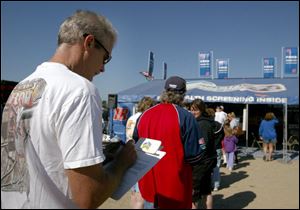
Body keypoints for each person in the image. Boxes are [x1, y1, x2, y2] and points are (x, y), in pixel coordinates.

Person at [1, 10, 137, 209]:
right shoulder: (80, 90)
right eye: (105, 57)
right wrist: (121, 163)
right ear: (89, 43)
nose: (102, 68)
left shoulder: (21, 86)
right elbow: (87, 198)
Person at [132, 76, 205, 209]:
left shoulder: (144, 115)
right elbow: (195, 156)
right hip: (175, 188)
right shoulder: (186, 117)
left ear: (164, 91)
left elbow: (136, 146)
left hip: (149, 186)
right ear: (183, 94)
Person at [126, 96, 156, 209]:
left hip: (130, 154)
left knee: (134, 193)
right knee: (142, 194)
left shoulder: (131, 118)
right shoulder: (146, 118)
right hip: (143, 156)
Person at [190, 100, 217, 209]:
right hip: (207, 160)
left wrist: (195, 155)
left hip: (202, 162)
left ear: (201, 109)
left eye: (195, 110)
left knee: (194, 193)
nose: (193, 112)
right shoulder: (205, 121)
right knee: (206, 190)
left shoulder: (202, 124)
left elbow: (203, 144)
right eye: (191, 110)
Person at [206, 108, 224, 192]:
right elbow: (222, 137)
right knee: (216, 168)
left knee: (207, 168)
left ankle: (208, 184)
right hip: (217, 148)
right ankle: (216, 185)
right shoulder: (219, 125)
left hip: (207, 149)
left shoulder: (204, 124)